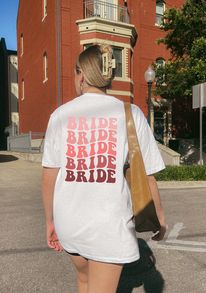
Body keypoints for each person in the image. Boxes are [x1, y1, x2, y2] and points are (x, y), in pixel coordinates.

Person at [41, 44, 166, 293]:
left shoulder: (59, 116)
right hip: (108, 225)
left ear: (82, 75)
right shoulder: (131, 113)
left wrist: (50, 221)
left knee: (85, 282)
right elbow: (147, 176)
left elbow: (49, 177)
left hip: (70, 223)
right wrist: (160, 219)